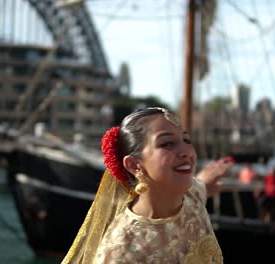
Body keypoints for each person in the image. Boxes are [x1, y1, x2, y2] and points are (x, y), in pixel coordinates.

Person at [62, 107, 233, 263]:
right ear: (134, 165)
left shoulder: (191, 194)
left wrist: (207, 179)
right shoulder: (120, 251)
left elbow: (202, 186)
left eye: (186, 140)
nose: (187, 153)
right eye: (167, 144)